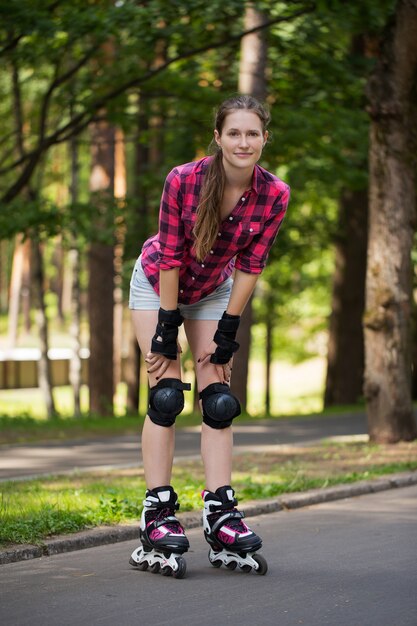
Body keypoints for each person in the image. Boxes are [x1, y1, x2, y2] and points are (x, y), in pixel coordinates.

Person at [128, 95, 290, 578]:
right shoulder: (184, 179)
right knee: (166, 395)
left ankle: (221, 511)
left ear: (265, 138)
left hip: (215, 290)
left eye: (253, 133)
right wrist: (165, 328)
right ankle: (157, 513)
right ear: (218, 137)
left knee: (218, 398)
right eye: (234, 133)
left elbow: (250, 265)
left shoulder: (274, 193)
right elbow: (172, 255)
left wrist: (228, 330)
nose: (244, 142)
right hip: (160, 283)